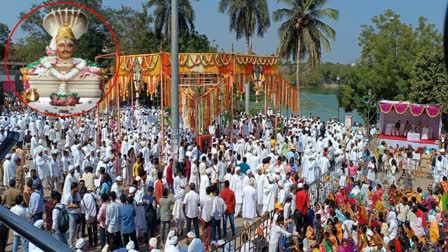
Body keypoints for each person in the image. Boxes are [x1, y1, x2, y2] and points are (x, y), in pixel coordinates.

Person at [64, 182, 81, 249]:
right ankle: (70, 244)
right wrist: (72, 206)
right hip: (71, 214)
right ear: (73, 188)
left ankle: (74, 243)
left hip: (77, 214)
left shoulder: (77, 194)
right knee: (72, 230)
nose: (78, 188)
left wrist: (78, 206)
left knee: (76, 230)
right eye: (77, 187)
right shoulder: (68, 196)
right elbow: (66, 206)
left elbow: (79, 202)